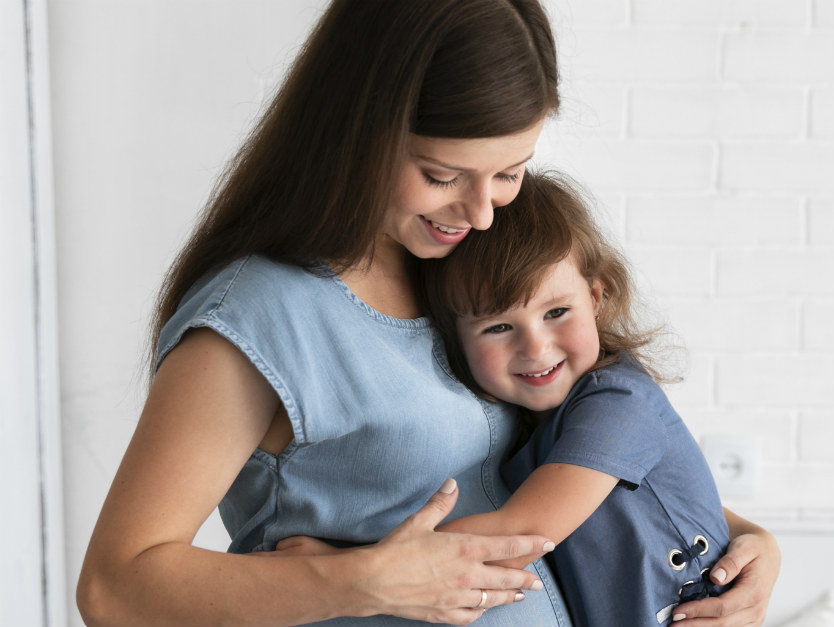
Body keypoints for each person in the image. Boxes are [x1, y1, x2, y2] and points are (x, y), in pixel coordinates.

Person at [76, 1, 780, 626]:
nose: (479, 213)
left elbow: (566, 461)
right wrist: (356, 580)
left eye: (509, 174)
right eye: (443, 176)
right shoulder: (260, 317)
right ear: (359, 130)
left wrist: (746, 543)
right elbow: (115, 588)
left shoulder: (462, 274)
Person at [417, 170, 741, 626]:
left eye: (556, 312)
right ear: (457, 340)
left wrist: (360, 563)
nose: (535, 348)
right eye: (498, 327)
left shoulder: (619, 404)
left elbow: (518, 537)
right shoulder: (526, 426)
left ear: (595, 297)